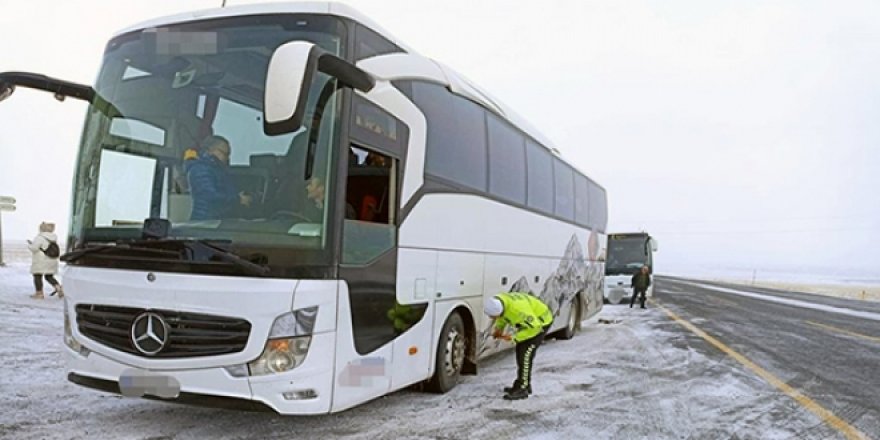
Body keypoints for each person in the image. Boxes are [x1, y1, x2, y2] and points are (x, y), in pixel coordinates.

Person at [483, 292, 554, 400]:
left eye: (493, 316)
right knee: (521, 351)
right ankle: (522, 384)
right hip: (530, 324)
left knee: (525, 355)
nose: (491, 318)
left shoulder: (518, 311)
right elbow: (503, 317)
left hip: (541, 323)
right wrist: (499, 329)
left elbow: (535, 327)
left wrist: (513, 337)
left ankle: (523, 389)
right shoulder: (503, 303)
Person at [185, 135, 252, 220]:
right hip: (205, 224)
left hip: (218, 222)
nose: (228, 158)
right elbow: (210, 197)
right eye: (225, 154)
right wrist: (238, 199)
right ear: (210, 150)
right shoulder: (200, 169)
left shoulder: (218, 169)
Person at [28, 222, 63, 299]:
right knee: (49, 276)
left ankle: (39, 293)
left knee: (37, 275)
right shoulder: (54, 238)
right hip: (51, 260)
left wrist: (30, 245)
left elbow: (34, 248)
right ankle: (58, 287)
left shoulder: (40, 237)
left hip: (41, 260)